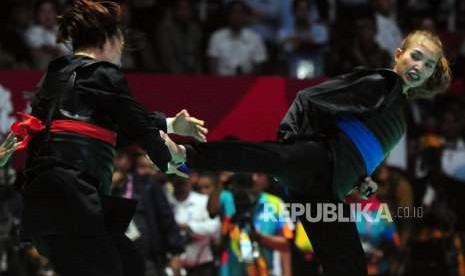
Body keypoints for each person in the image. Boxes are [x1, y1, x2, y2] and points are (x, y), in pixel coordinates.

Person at [163, 30, 452, 275]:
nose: (419, 66)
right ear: (399, 53)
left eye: (427, 65)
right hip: (318, 159)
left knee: (350, 265)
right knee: (268, 156)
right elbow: (311, 98)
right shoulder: (380, 82)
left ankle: (190, 154)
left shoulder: (400, 116)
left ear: (430, 75)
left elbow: (362, 146)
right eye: (415, 56)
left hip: (329, 189)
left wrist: (361, 180)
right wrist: (290, 136)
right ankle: (186, 154)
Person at [17, 1, 207, 276]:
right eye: (121, 42)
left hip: (44, 206)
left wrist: (168, 124)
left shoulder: (56, 75)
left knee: (129, 262)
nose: (122, 51)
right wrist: (167, 158)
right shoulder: (103, 73)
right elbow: (135, 122)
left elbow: (108, 129)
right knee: (115, 266)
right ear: (109, 40)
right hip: (74, 199)